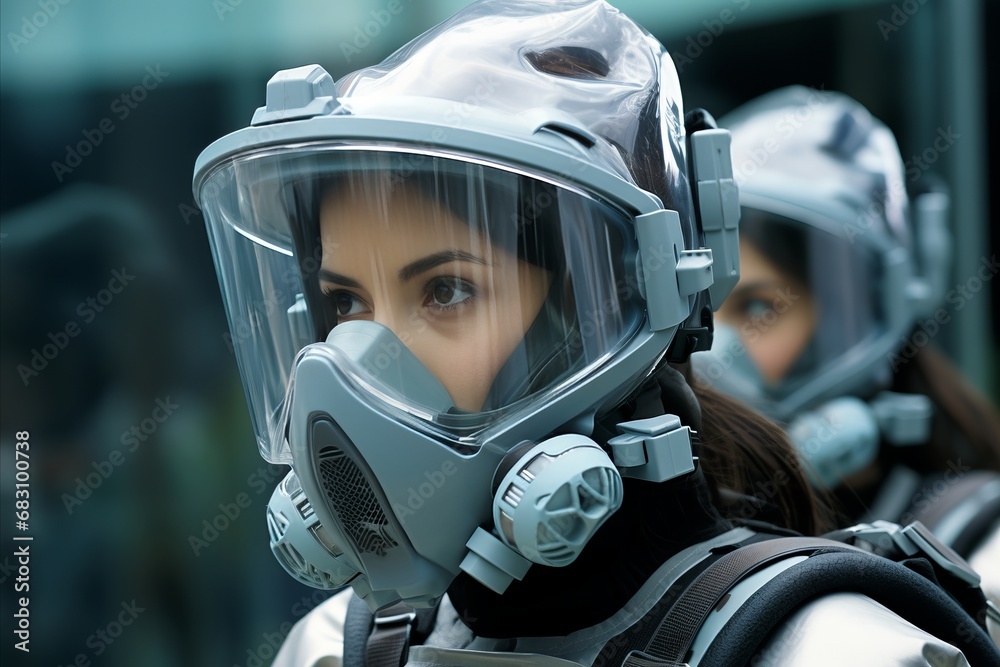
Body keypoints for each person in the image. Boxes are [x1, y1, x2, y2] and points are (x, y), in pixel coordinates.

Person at [193, 2, 998, 665]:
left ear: (598, 318)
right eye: (345, 302)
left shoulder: (834, 651)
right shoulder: (332, 648)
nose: (359, 365)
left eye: (446, 289)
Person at [692, 86, 1000, 605]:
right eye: (703, 310)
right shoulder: (700, 547)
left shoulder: (983, 546)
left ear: (866, 314)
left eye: (760, 308)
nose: (713, 354)